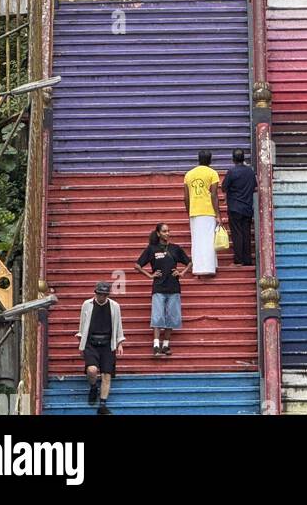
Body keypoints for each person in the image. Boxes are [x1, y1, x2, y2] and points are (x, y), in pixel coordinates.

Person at [136, 223, 191, 359]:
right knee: (158, 316)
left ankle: (166, 345)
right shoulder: (152, 249)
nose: (167, 233)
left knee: (172, 317)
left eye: (169, 231)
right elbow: (137, 265)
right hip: (159, 287)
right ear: (158, 233)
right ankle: (156, 346)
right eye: (164, 231)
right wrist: (150, 275)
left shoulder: (175, 248)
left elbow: (189, 262)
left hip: (174, 287)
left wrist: (181, 273)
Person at [77, 281, 124, 415]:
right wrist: (81, 342)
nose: (102, 297)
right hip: (91, 342)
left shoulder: (114, 306)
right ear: (95, 293)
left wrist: (120, 343)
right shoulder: (87, 305)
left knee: (106, 375)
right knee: (92, 370)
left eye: (104, 295)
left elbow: (118, 325)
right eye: (99, 294)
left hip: (107, 343)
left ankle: (102, 404)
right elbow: (82, 325)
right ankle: (93, 387)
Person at [183, 149, 221, 275]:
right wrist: (218, 214)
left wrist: (190, 210)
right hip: (208, 211)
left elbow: (186, 197)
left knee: (197, 240)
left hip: (194, 212)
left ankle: (198, 268)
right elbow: (214, 195)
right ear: (210, 160)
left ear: (198, 159)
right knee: (209, 240)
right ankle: (210, 267)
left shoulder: (188, 174)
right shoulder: (213, 173)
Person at [222, 151, 258, 266]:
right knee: (246, 234)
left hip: (234, 208)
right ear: (243, 159)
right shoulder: (250, 172)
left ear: (233, 159)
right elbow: (255, 186)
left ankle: (238, 260)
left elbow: (224, 187)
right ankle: (247, 260)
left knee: (237, 234)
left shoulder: (231, 172)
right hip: (247, 208)